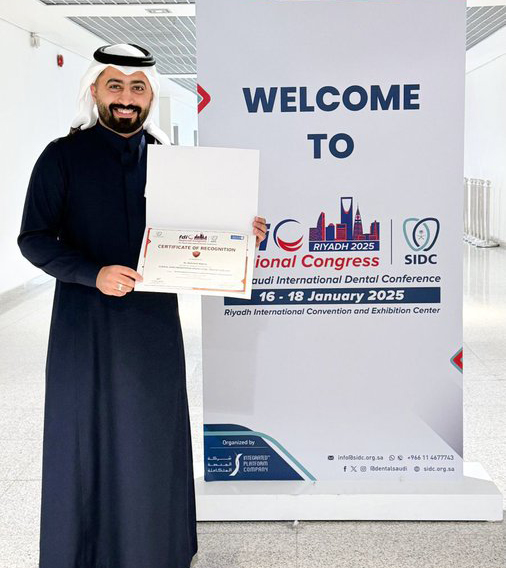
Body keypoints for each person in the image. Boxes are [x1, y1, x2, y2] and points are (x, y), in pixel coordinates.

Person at [17, 43, 266, 568]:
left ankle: (154, 550)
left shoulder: (168, 160)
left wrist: (241, 233)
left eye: (137, 88)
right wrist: (93, 274)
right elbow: (33, 238)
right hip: (84, 323)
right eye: (115, 86)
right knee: (84, 433)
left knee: (150, 433)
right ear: (94, 91)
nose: (126, 98)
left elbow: (197, 231)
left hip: (152, 325)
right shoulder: (61, 157)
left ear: (150, 96)